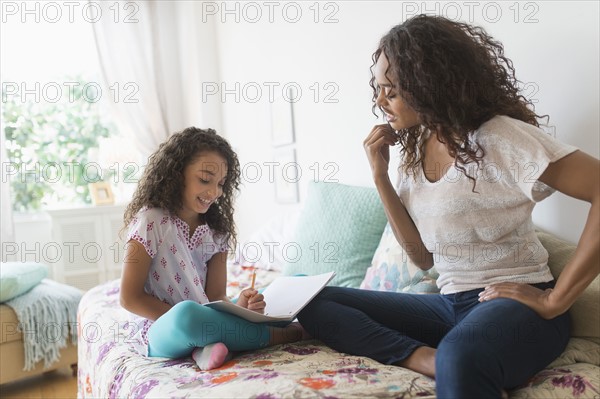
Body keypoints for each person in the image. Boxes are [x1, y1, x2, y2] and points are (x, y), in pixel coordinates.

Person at [297, 14, 599, 398]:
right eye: (377, 88)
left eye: (391, 90)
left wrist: (554, 300)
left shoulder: (499, 136)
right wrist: (380, 177)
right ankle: (423, 358)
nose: (380, 101)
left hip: (514, 307)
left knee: (460, 353)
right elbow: (423, 258)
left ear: (428, 84)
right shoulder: (413, 152)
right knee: (313, 300)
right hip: (449, 306)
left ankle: (451, 360)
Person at [120, 127, 304, 371]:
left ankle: (208, 346)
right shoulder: (150, 222)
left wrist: (241, 308)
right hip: (162, 327)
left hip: (205, 319)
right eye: (205, 180)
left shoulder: (218, 231)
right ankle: (276, 336)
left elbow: (216, 297)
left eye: (220, 184)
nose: (214, 192)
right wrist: (203, 317)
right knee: (187, 315)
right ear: (177, 173)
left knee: (296, 283)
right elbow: (129, 297)